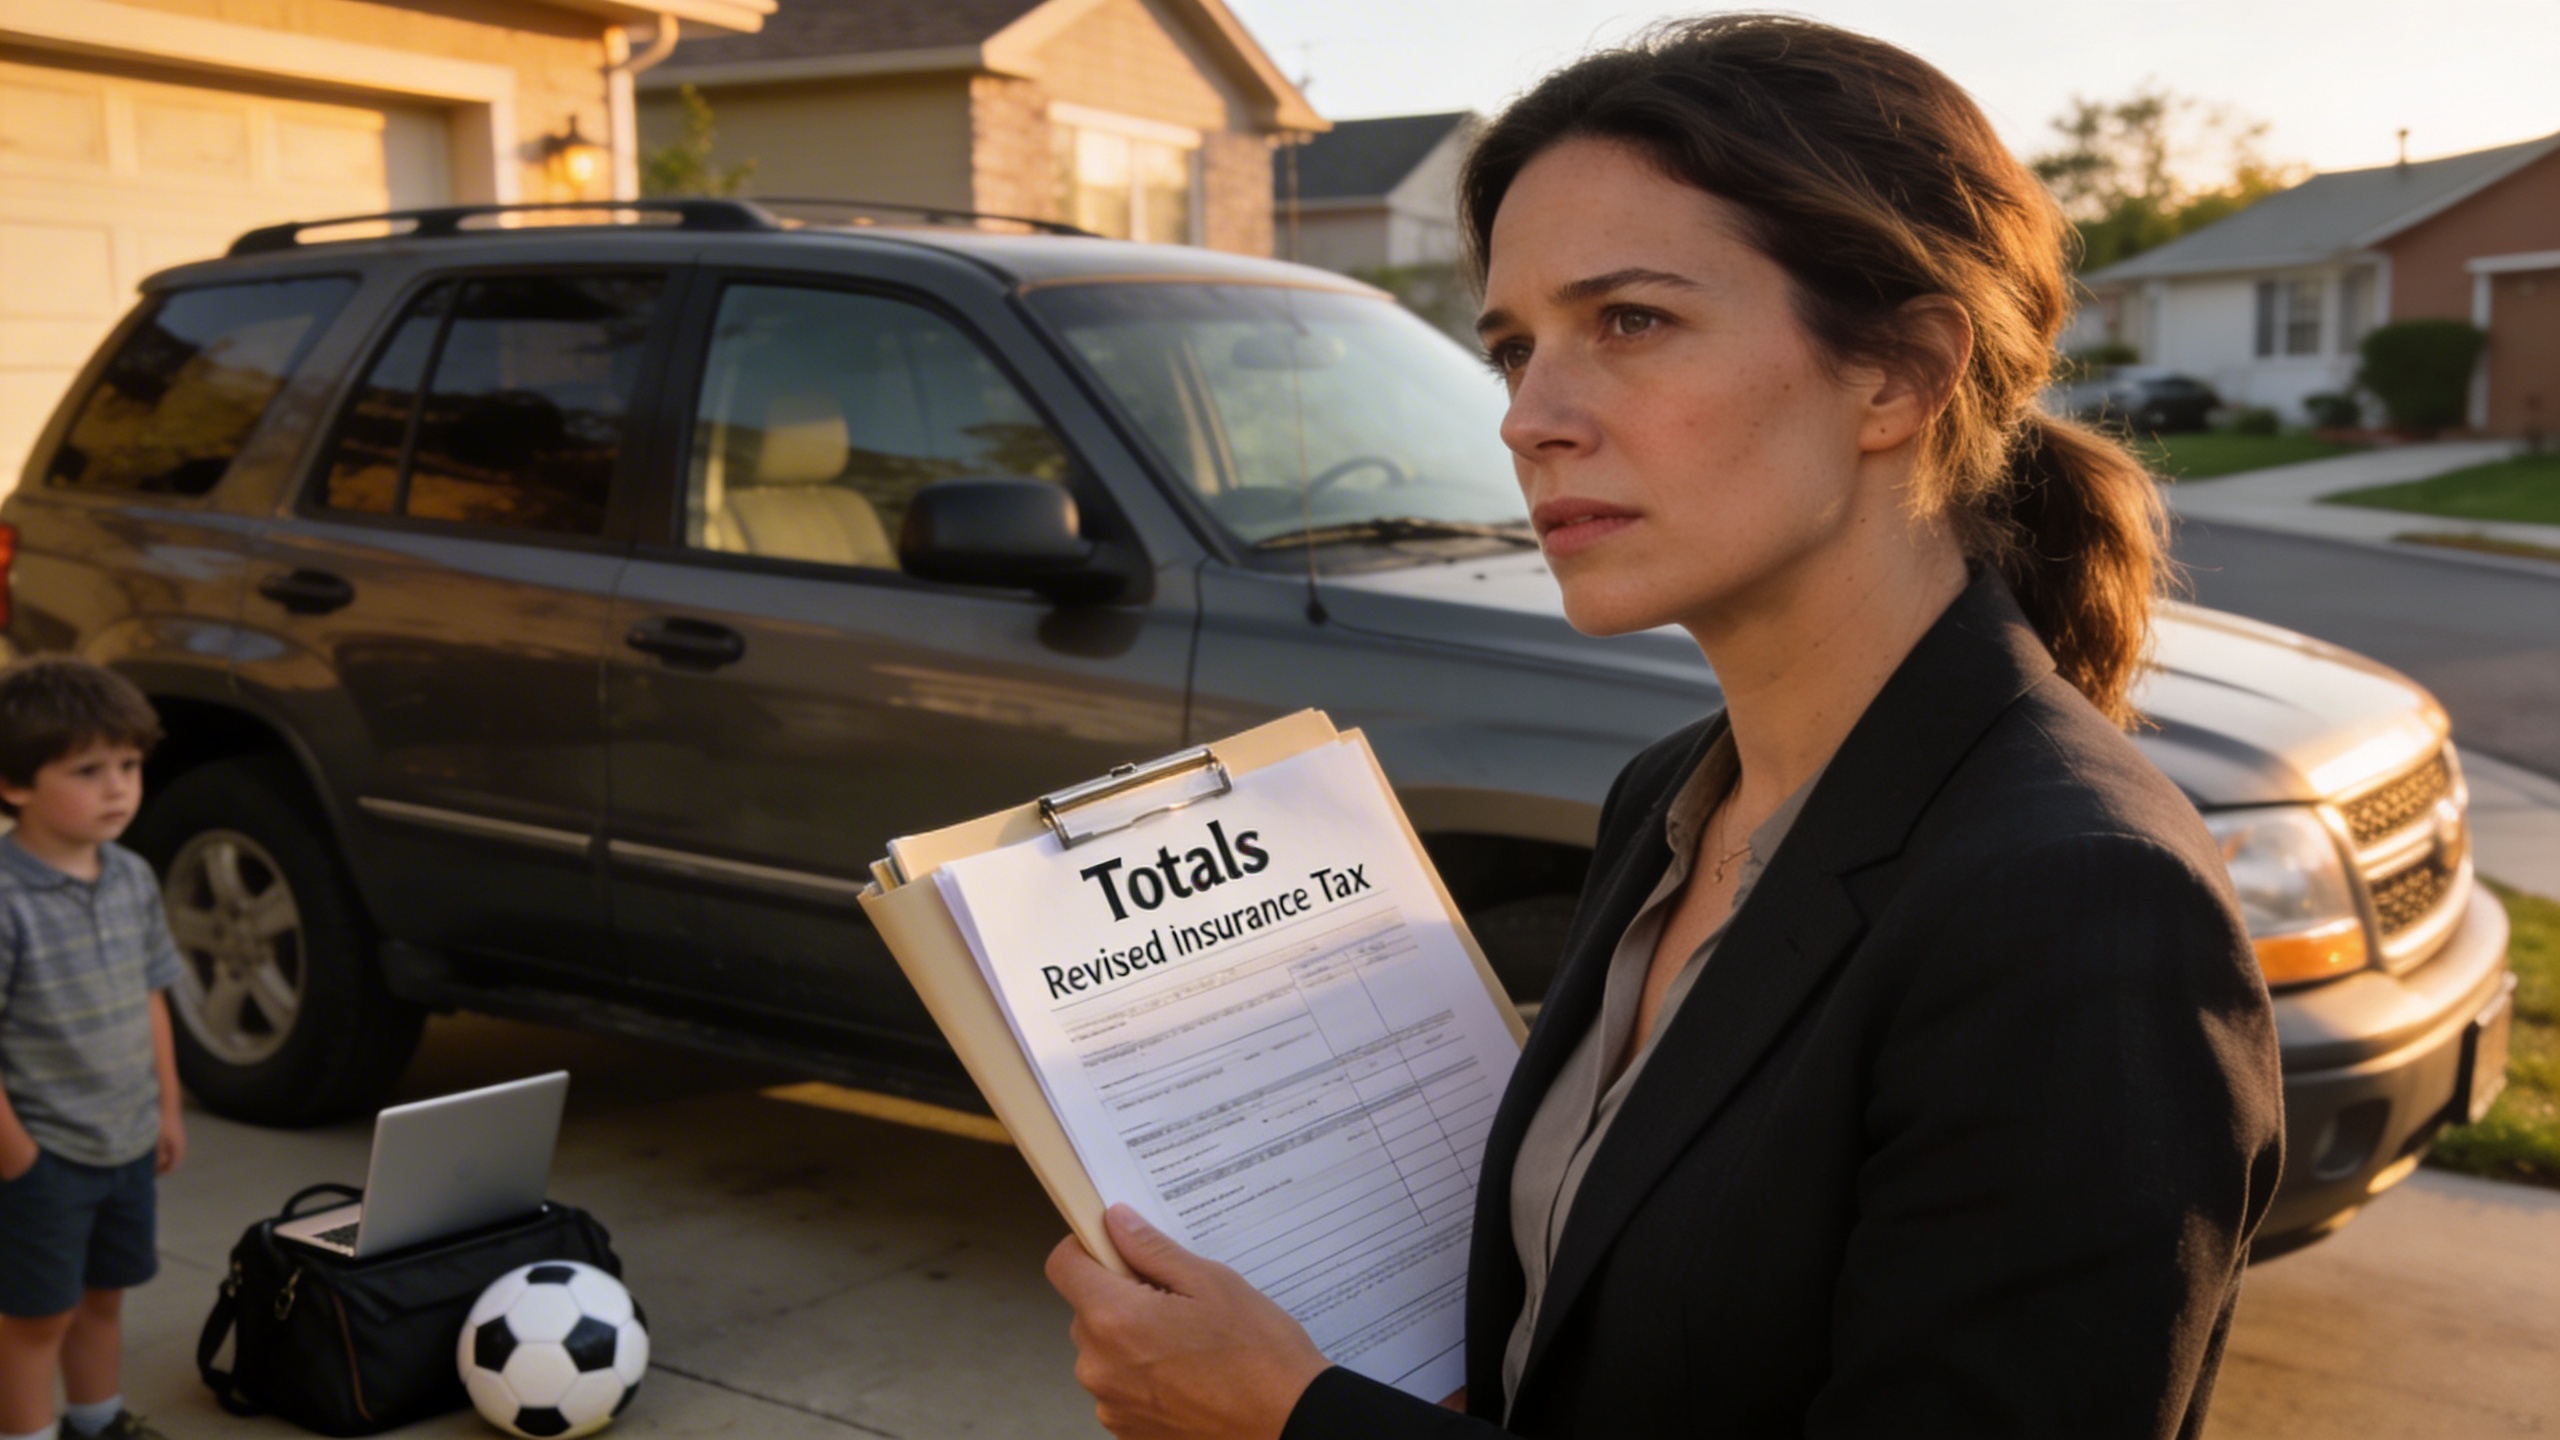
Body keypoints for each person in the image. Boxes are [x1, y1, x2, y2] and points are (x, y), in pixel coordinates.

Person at [1044, 14, 2286, 1439]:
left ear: (1899, 374)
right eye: (1514, 348)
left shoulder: (2076, 903)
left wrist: (1292, 1418)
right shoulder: (1671, 800)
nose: (1529, 419)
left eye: (1630, 321)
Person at [0, 659, 183, 1440]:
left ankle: (98, 1423)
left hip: (128, 1139)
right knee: (38, 1317)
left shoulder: (133, 876)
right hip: (45, 1154)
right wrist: (17, 1157)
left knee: (105, 1296)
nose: (118, 788)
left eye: (130, 765)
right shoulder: (5, 900)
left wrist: (166, 1107)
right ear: (14, 785)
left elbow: (151, 993)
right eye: (87, 770)